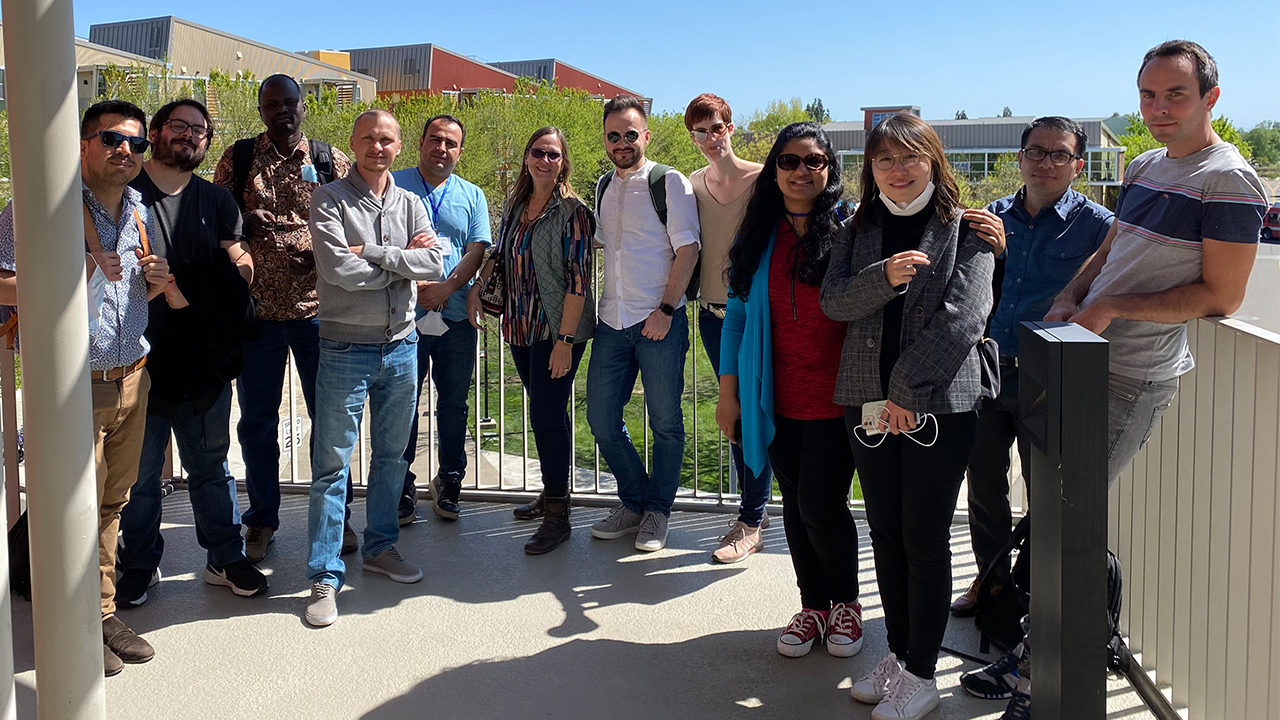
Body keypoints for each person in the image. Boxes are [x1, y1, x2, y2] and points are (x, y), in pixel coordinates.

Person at [1016, 40, 1267, 720]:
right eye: (1148, 95)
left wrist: (1114, 306)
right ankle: (1038, 660)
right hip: (1077, 356)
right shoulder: (1149, 164)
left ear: (1211, 98)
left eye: (1175, 95)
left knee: (1067, 525)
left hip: (1130, 378)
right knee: (1050, 518)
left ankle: (1057, 680)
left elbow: (1222, 297)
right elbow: (1111, 247)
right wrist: (1073, 297)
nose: (1157, 110)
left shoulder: (1230, 180)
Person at [821, 112, 1000, 720]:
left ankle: (922, 674)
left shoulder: (967, 228)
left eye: (910, 158)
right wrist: (885, 277)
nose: (898, 171)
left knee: (924, 538)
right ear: (870, 169)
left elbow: (965, 318)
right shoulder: (858, 227)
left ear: (933, 160)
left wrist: (905, 392)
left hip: (940, 406)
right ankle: (898, 658)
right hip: (864, 403)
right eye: (884, 160)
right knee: (888, 535)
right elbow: (834, 300)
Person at [0, 100, 170, 676]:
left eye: (136, 144)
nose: (126, 151)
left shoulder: (138, 211)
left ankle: (98, 612)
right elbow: (2, 283)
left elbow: (120, 302)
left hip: (130, 381)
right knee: (65, 510)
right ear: (82, 144)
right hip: (70, 386)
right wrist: (69, 277)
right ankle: (67, 623)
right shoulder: (39, 208)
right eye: (112, 140)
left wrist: (152, 283)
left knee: (108, 505)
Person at [952, 117, 1114, 618]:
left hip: (1052, 375)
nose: (1046, 162)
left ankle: (1033, 592)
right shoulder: (990, 217)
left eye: (1059, 154)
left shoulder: (1099, 228)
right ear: (1020, 158)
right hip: (988, 368)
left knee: (1047, 492)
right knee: (984, 486)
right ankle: (992, 584)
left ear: (1077, 166)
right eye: (1036, 152)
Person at [715, 122, 862, 658]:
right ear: (774, 168)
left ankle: (846, 602)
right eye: (790, 161)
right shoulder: (756, 234)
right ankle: (814, 606)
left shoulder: (851, 229)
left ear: (830, 169)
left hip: (837, 397)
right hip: (771, 396)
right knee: (798, 505)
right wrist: (729, 393)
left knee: (823, 505)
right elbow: (734, 317)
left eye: (815, 161)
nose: (802, 171)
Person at [116, 99, 266, 607]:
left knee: (211, 466)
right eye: (178, 126)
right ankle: (138, 563)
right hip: (137, 360)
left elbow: (241, 271)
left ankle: (224, 557)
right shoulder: (123, 195)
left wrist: (189, 290)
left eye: (199, 130)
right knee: (139, 476)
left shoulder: (218, 201)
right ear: (154, 133)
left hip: (204, 363)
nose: (189, 136)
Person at [304, 109, 444, 627]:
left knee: (391, 456)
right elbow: (337, 270)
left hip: (403, 348)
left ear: (398, 145)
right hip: (345, 348)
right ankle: (324, 572)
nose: (377, 147)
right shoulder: (329, 199)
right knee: (332, 465)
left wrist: (378, 255)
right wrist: (401, 263)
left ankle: (382, 547)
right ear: (353, 143)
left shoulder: (411, 202)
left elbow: (437, 265)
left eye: (386, 139)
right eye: (368, 139)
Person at [213, 74, 354, 563]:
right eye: (272, 104)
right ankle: (262, 520)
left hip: (320, 314)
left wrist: (318, 252)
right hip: (260, 316)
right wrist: (240, 221)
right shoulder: (239, 158)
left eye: (289, 102)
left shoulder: (329, 159)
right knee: (256, 421)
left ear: (303, 106)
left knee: (330, 421)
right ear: (261, 108)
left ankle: (339, 519)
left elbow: (354, 224)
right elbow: (214, 219)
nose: (282, 112)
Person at [466, 127, 595, 554]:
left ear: (563, 162)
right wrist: (476, 288)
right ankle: (553, 492)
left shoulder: (573, 212)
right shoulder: (517, 205)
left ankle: (559, 516)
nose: (544, 160)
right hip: (520, 327)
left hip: (557, 331)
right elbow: (501, 256)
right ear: (526, 157)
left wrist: (564, 340)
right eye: (537, 152)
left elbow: (579, 282)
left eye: (553, 155)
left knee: (545, 416)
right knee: (546, 414)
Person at [586, 95, 700, 553]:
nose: (622, 143)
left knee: (667, 423)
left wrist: (667, 309)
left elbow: (687, 249)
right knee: (600, 420)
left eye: (630, 134)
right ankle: (634, 501)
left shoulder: (667, 182)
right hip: (612, 321)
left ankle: (658, 512)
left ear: (645, 136)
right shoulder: (601, 187)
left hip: (659, 322)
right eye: (613, 135)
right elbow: (598, 242)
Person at [684, 93, 774, 563]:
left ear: (731, 128)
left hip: (759, 317)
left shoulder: (766, 180)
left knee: (755, 413)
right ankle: (753, 515)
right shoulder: (692, 185)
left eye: (715, 128)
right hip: (712, 318)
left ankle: (752, 520)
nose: (708, 139)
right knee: (735, 416)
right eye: (698, 132)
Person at [391, 115, 491, 524]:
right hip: (401, 318)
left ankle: (449, 482)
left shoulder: (472, 194)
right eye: (435, 140)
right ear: (420, 142)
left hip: (455, 320)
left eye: (451, 143)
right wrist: (414, 284)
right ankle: (401, 488)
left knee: (453, 405)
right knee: (402, 406)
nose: (442, 149)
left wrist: (448, 288)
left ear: (460, 151)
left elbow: (477, 248)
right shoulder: (394, 184)